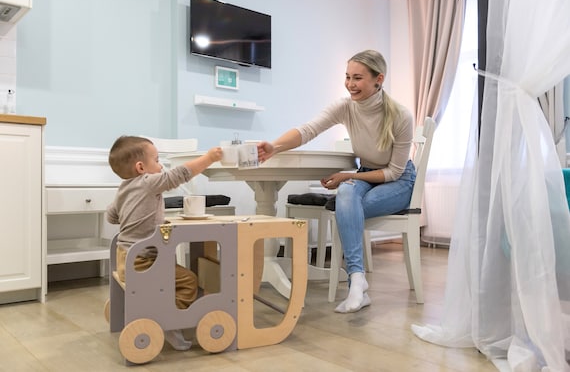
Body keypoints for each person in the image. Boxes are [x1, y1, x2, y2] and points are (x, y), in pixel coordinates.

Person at [257, 50, 416, 313]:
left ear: (379, 79)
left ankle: (357, 282)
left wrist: (349, 176)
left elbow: (393, 172)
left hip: (399, 181)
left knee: (349, 201)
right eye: (347, 77)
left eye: (358, 78)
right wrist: (274, 146)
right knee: (345, 196)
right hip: (367, 173)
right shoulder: (345, 107)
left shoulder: (401, 116)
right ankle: (357, 280)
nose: (350, 84)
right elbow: (308, 130)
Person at [106, 135, 222, 350]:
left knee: (175, 276)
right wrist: (209, 158)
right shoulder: (148, 182)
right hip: (143, 261)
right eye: (157, 160)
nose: (161, 166)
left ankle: (157, 311)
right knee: (189, 281)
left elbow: (111, 217)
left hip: (124, 257)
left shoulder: (123, 188)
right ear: (141, 167)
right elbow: (180, 175)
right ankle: (166, 319)